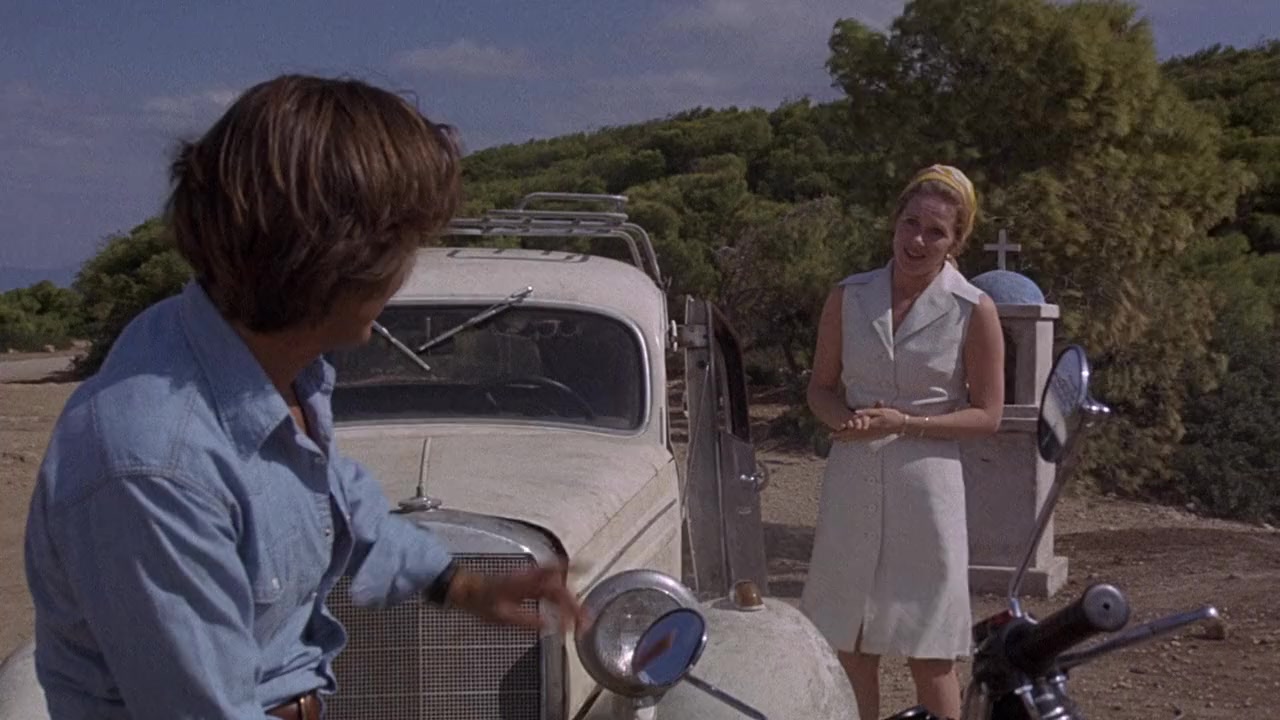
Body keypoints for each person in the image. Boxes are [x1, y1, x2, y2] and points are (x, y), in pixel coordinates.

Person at [23, 74, 584, 720]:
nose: (405, 274)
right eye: (402, 247)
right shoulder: (155, 468)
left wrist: (460, 585)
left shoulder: (269, 362)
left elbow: (330, 499)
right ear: (334, 264)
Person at [799, 165, 1005, 720]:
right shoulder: (849, 296)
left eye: (935, 232)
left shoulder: (972, 309)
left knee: (929, 650)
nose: (917, 240)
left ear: (955, 241)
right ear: (894, 223)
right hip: (853, 481)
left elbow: (988, 414)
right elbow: (820, 388)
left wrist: (905, 423)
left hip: (927, 489)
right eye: (910, 223)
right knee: (850, 643)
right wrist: (845, 421)